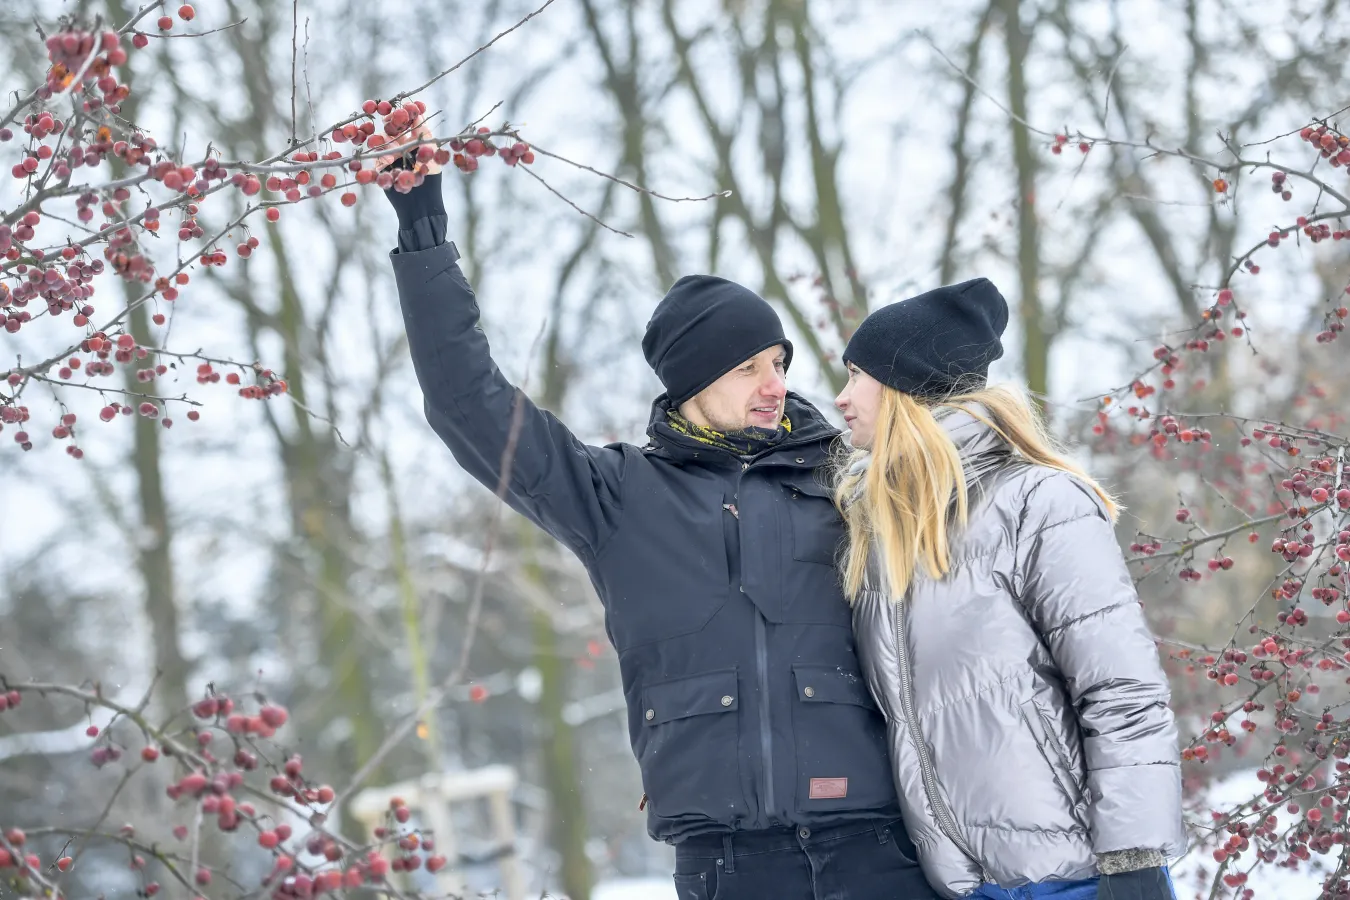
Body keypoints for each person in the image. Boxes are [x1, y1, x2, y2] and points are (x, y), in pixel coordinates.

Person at [376, 117, 936, 899]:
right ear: (693, 381)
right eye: (748, 367)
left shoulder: (848, 482)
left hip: (877, 850)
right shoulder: (617, 498)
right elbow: (468, 404)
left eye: (779, 362)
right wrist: (423, 233)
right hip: (727, 866)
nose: (776, 384)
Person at [830, 278, 1187, 900]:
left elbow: (1122, 691)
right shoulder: (885, 533)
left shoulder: (1037, 502)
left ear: (907, 385)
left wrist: (1133, 859)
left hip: (1075, 876)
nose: (841, 397)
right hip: (968, 886)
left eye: (857, 375)